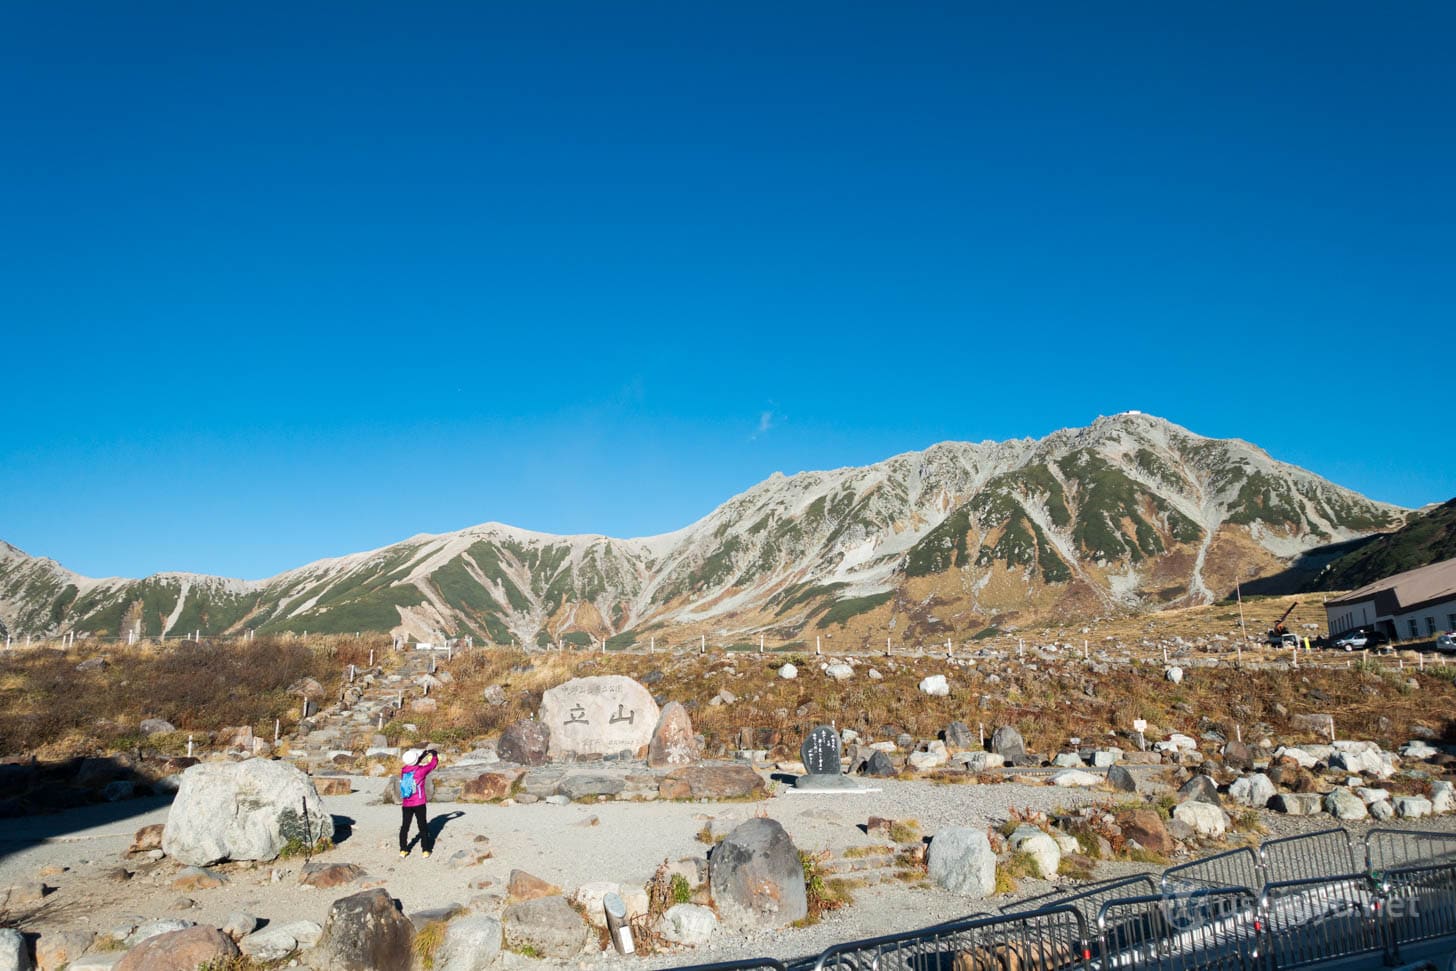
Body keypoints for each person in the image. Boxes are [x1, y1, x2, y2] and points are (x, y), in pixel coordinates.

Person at [398, 747, 439, 858]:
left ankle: (403, 849)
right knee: (422, 826)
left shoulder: (404, 771)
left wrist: (422, 755)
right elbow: (432, 765)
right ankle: (425, 850)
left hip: (406, 803)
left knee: (405, 826)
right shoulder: (421, 771)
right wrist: (434, 755)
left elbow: (413, 763)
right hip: (419, 803)